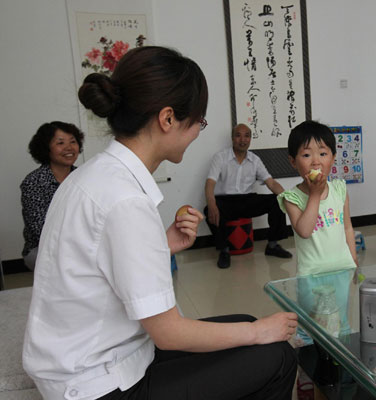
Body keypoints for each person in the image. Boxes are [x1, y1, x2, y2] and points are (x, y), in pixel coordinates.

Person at [23, 46, 298, 400]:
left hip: (89, 357)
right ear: (167, 118)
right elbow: (169, 334)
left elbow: (91, 261)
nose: (199, 130)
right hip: (98, 385)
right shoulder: (125, 200)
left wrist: (159, 245)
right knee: (275, 354)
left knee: (243, 320)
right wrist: (260, 331)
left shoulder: (92, 175)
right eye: (199, 121)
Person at [278, 120, 358, 346]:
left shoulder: (340, 189)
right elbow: (304, 230)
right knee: (309, 326)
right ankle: (308, 368)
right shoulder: (291, 198)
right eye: (306, 155)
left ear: (332, 157)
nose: (316, 161)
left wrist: (353, 258)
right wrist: (314, 195)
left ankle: (340, 362)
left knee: (340, 323)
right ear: (293, 162)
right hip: (311, 275)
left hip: (341, 269)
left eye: (323, 153)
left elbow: (347, 227)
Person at [204, 123, 292, 268]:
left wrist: (287, 197)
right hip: (225, 201)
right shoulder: (220, 157)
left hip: (247, 199)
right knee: (209, 210)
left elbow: (271, 183)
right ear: (232, 138)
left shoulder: (255, 160)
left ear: (250, 139)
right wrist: (211, 202)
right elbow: (210, 183)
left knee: (277, 201)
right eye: (238, 135)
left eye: (246, 136)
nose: (242, 140)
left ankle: (272, 245)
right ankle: (224, 251)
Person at [20, 121, 84, 270]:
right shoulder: (33, 182)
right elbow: (40, 229)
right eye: (60, 143)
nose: (69, 148)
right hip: (42, 248)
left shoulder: (84, 177)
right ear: (46, 148)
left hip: (82, 243)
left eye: (73, 142)